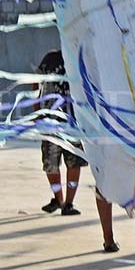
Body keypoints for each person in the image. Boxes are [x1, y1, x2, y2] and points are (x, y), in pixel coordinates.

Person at [34, 49, 85, 215]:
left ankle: (69, 203)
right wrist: (37, 110)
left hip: (75, 122)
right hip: (51, 122)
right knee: (51, 163)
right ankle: (58, 198)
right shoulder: (51, 58)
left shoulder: (81, 56)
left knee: (74, 162)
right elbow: (37, 81)